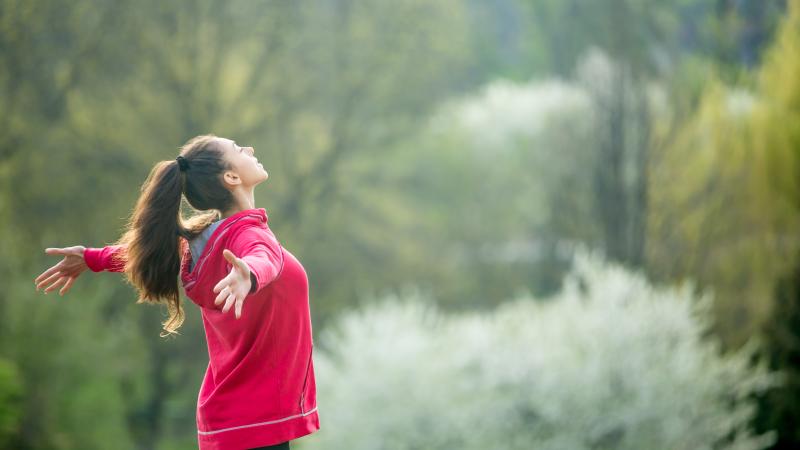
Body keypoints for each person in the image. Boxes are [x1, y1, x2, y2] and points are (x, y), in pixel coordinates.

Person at [33, 134, 319, 450]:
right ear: (231, 177)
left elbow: (152, 250)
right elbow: (261, 256)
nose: (249, 148)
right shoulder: (246, 235)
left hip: (235, 419)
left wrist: (92, 258)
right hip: (257, 421)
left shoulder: (208, 241)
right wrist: (249, 275)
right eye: (239, 149)